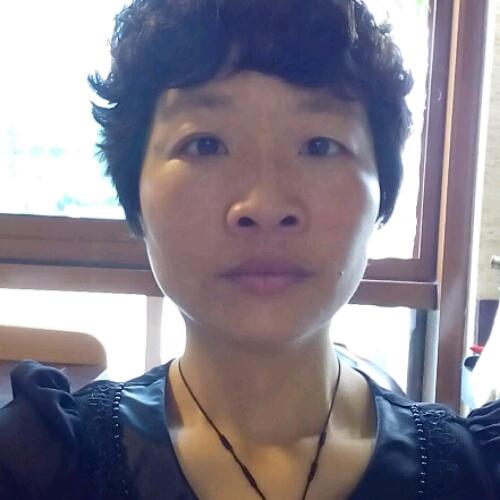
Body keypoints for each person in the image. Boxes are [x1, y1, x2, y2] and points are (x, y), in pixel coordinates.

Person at [1, 0, 499, 498]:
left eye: (319, 145)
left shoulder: (474, 474)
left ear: (382, 192)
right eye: (205, 144)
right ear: (135, 194)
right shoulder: (36, 462)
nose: (264, 205)